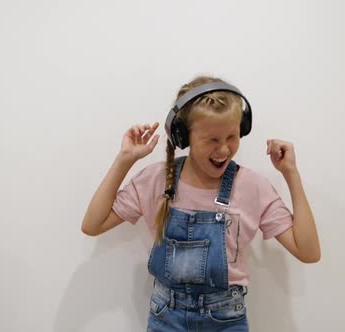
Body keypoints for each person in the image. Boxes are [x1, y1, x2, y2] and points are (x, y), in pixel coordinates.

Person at [81, 76, 321, 331]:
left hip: (226, 320)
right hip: (165, 318)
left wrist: (291, 173)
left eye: (232, 136)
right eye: (212, 140)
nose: (225, 149)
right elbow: (92, 225)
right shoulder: (157, 179)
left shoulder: (254, 187)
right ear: (183, 137)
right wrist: (124, 160)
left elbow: (309, 252)